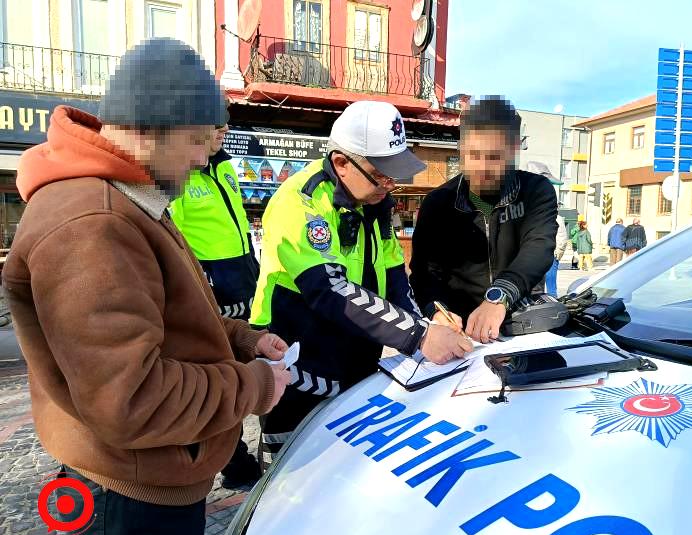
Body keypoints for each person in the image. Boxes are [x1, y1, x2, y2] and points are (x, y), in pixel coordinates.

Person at [1, 38, 290, 535]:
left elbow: (166, 316)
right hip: (130, 495)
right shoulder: (94, 221)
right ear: (155, 123)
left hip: (146, 478)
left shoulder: (126, 198)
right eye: (199, 140)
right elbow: (132, 399)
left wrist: (244, 340)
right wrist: (254, 385)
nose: (205, 157)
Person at [250, 100, 471, 468]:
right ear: (341, 163)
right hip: (297, 360)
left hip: (355, 358)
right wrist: (418, 335)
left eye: (394, 174)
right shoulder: (300, 201)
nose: (390, 184)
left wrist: (428, 324)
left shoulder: (375, 203)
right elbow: (329, 290)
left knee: (345, 469)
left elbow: (395, 278)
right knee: (288, 474)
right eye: (380, 174)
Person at [409, 96, 558, 343]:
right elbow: (424, 274)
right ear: (461, 148)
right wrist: (436, 311)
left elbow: (539, 247)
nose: (482, 167)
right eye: (474, 155)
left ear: (514, 150)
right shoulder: (438, 203)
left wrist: (499, 297)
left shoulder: (536, 191)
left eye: (494, 157)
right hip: (462, 332)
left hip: (522, 325)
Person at [170, 122, 264, 489]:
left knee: (242, 377)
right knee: (217, 381)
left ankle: (239, 456)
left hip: (243, 284)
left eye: (226, 123)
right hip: (209, 293)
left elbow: (238, 224)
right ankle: (233, 462)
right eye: (215, 124)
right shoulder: (179, 172)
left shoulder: (223, 164)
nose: (223, 130)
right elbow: (174, 236)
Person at [545, 213, 568, 297]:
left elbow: (562, 238)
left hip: (551, 253)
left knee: (550, 278)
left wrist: (558, 252)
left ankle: (552, 297)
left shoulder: (557, 219)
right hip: (540, 252)